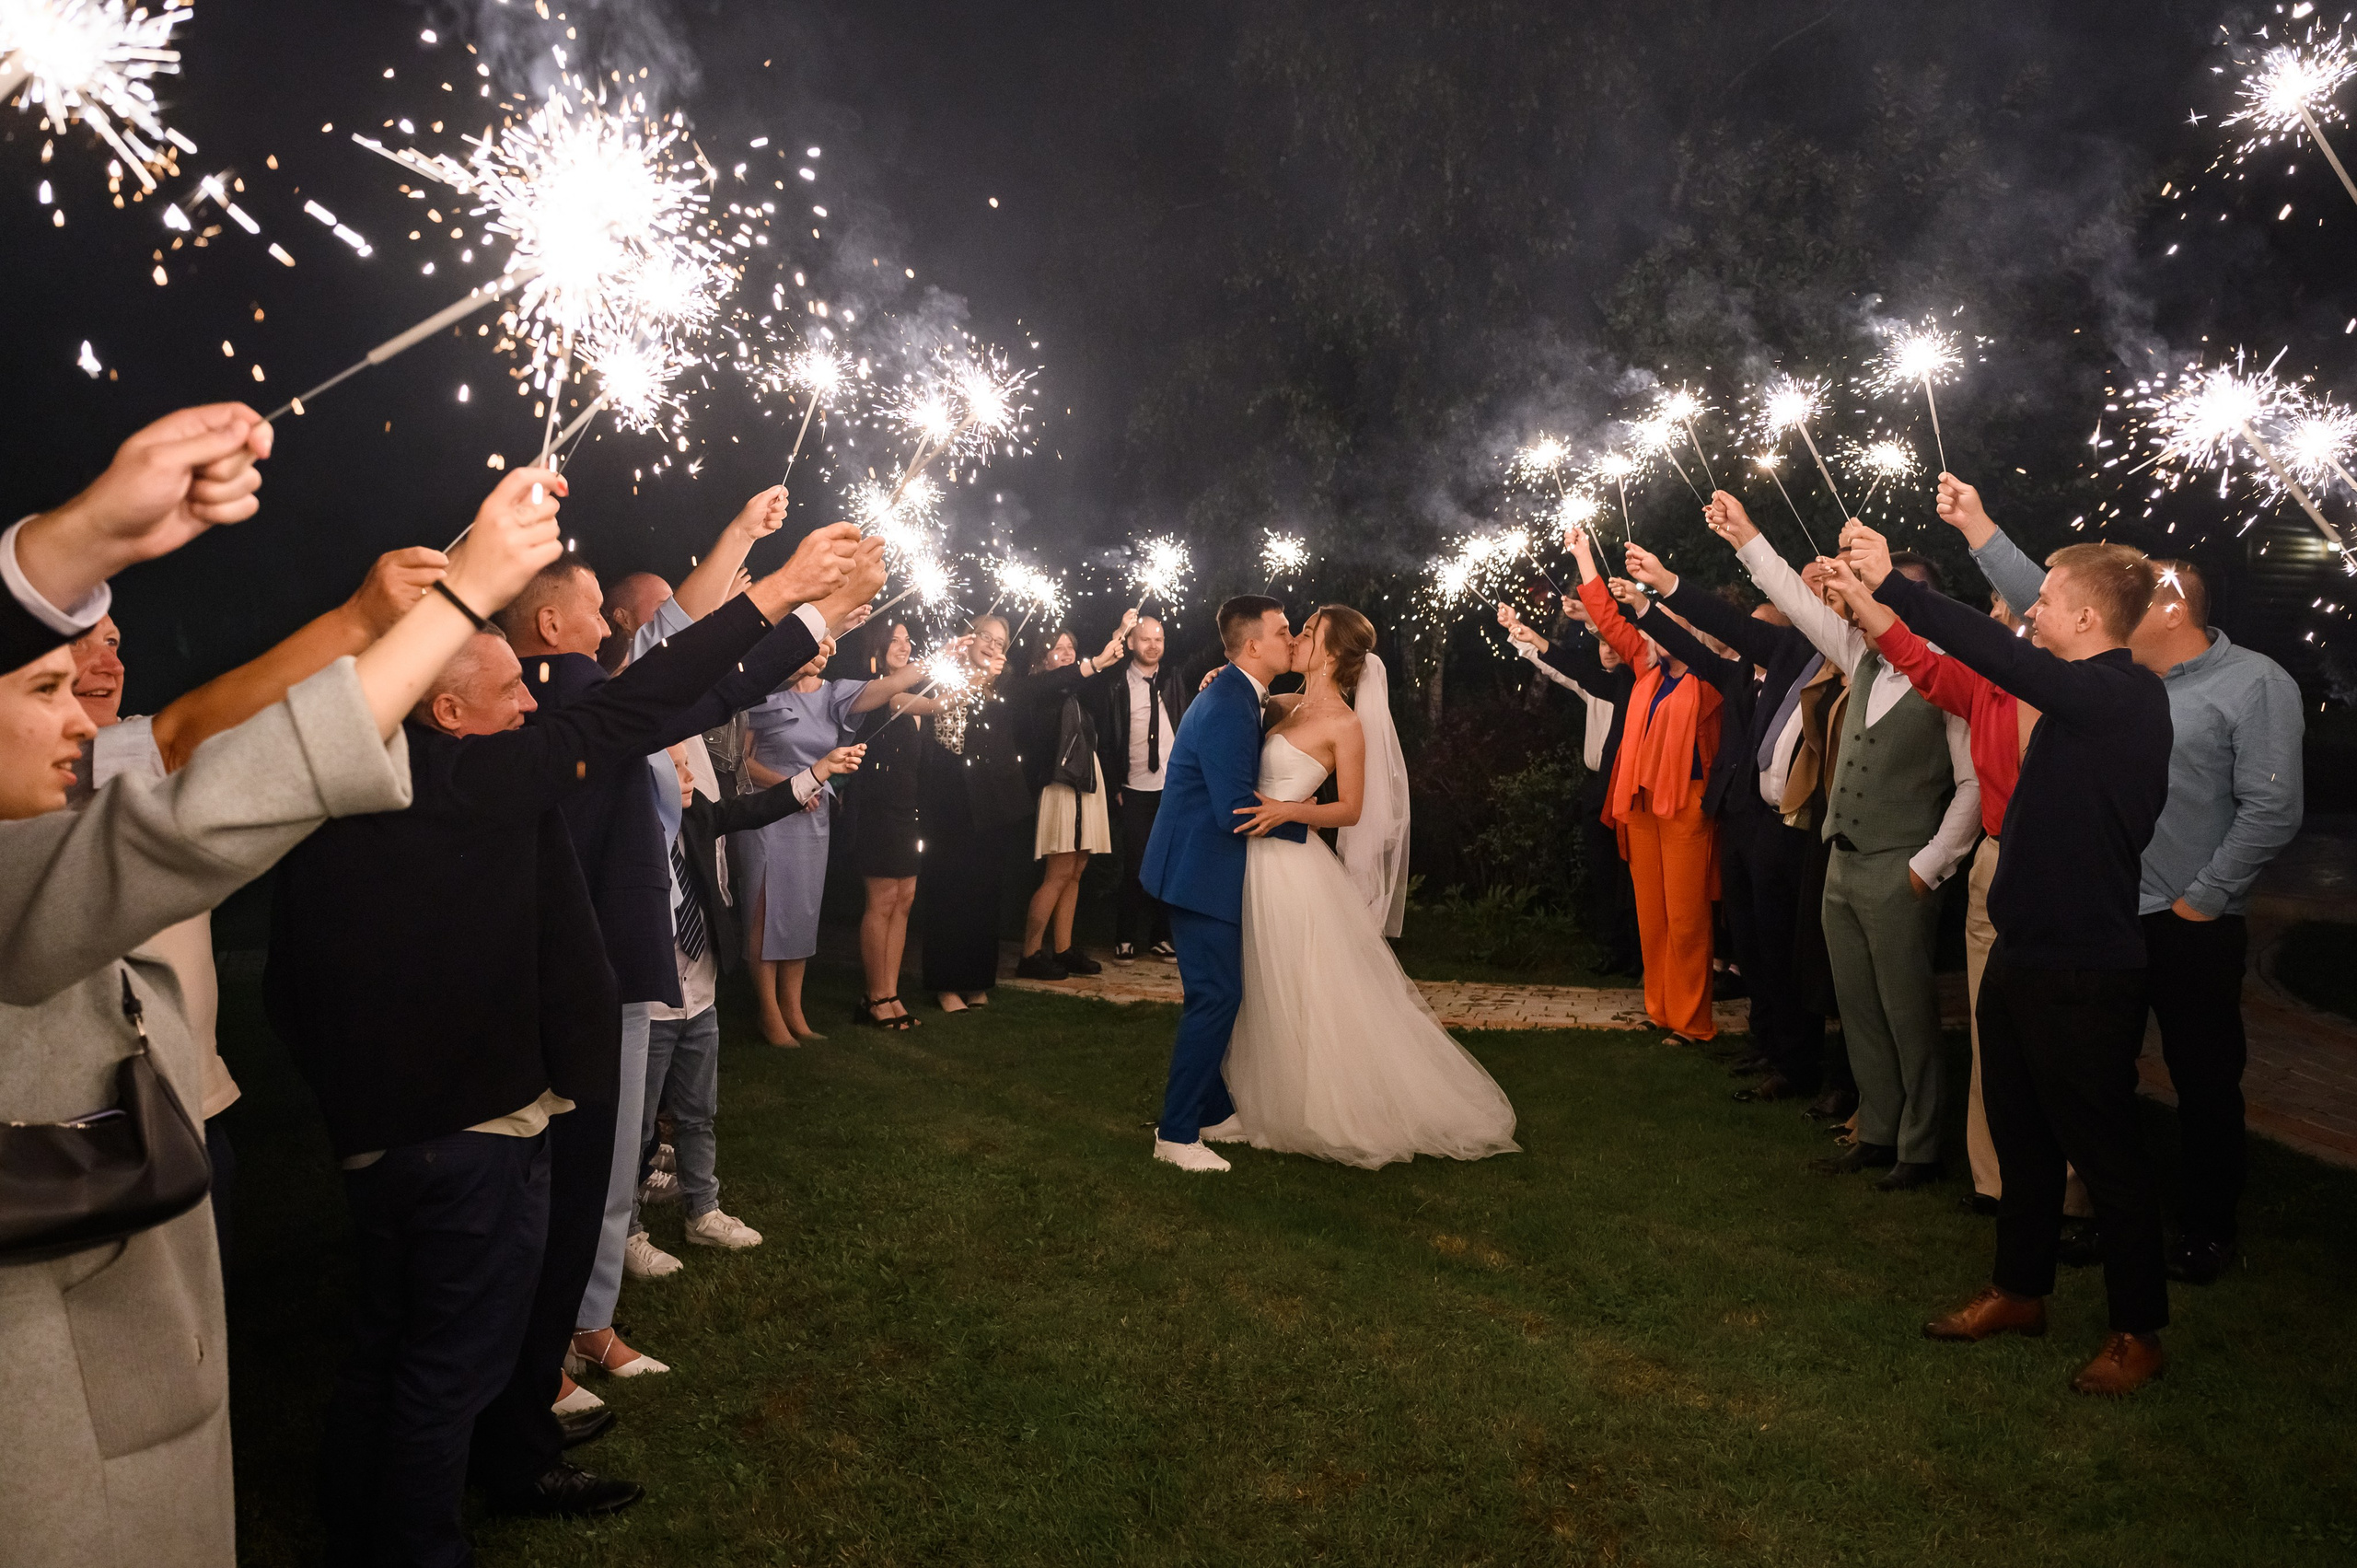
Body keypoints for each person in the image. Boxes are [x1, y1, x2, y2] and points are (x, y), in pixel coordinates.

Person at [269, 517, 875, 1555]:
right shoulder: (463, 778)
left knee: (395, 1334)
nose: (537, 707)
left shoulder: (361, 772)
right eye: (515, 694)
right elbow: (641, 699)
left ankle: (358, 1496)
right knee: (446, 1354)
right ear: (447, 708)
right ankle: (413, 1537)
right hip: (457, 1124)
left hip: (395, 1121)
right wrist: (777, 593)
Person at [0, 401, 457, 1568]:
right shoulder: (47, 837)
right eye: (47, 672)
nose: (92, 673)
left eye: (99, 650)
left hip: (177, 1136)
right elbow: (203, 797)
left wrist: (360, 619)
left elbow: (204, 722)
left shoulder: (89, 771)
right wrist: (84, 534)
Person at [1838, 518, 2177, 1395]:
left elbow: (2006, 656)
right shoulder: (2079, 696)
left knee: (2103, 1150)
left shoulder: (2126, 696)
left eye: (2050, 604)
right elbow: (2003, 665)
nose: (2035, 615)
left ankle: (2138, 1331)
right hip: (2025, 955)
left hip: (2085, 968)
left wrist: (1899, 587)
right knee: (2020, 1136)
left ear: (2092, 620)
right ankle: (2020, 1291)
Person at [1936, 478, 2304, 1283]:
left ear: (2171, 611)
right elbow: (2054, 603)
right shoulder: (2104, 674)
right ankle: (2101, 1217)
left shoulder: (2253, 684)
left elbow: (2272, 807)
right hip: (2105, 917)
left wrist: (2201, 898)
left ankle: (2207, 1225)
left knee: (2204, 1077)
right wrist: (1978, 525)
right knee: (2099, 1080)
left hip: (2187, 919)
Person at [64, 549, 448, 1269]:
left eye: (113, 642)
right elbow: (184, 735)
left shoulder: (129, 752)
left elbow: (285, 730)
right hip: (95, 1133)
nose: (105, 661)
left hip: (195, 1111)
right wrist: (360, 620)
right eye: (77, 641)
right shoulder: (60, 774)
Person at [1723, 495, 1981, 1190]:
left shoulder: (1949, 680)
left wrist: (1931, 866)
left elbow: (1973, 787)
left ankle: (1921, 1145)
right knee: (1859, 1008)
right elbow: (1797, 602)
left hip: (1902, 868)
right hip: (1842, 862)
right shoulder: (1860, 655)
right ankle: (1877, 1127)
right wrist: (1749, 537)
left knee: (1907, 1012)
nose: (1861, 603)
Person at [1218, 605, 1519, 1167]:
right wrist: (1222, 680)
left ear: (1331, 654)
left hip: (1295, 866)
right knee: (1265, 977)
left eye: (1308, 633)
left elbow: (1352, 810)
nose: (1298, 638)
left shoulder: (1345, 724)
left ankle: (1327, 1106)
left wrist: (1290, 811)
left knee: (1304, 983)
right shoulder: (1283, 703)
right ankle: (1265, 1095)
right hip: (1256, 860)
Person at [625, 738, 865, 1278]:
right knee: (636, 1128)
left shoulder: (695, 817)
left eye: (690, 767)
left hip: (701, 993)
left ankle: (703, 1212)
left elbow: (752, 808)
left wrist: (818, 771)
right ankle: (627, 1231)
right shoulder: (627, 835)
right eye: (678, 770)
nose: (690, 779)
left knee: (698, 1113)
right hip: (650, 1004)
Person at [1643, 503, 1840, 1103]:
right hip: (1752, 815)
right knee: (1753, 940)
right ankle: (1774, 1046)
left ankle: (1799, 1060)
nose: (1807, 591)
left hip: (1796, 824)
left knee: (1784, 946)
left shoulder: (1846, 652)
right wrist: (1661, 590)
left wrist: (1668, 585)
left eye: (1816, 584)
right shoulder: (1784, 651)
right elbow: (1725, 629)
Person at [1139, 596, 1311, 1172]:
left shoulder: (1241, 694)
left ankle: (1211, 1111)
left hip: (1204, 866)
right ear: (1253, 645)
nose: (1291, 639)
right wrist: (1305, 832)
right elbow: (1234, 810)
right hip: (1197, 870)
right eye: (1283, 631)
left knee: (1220, 993)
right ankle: (1177, 1133)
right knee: (1216, 996)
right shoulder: (1229, 705)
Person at [1565, 526, 1725, 1044]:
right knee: (1651, 917)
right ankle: (1660, 1009)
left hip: (1687, 807)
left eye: (1669, 623)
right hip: (1640, 806)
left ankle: (1693, 1021)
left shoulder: (1711, 681)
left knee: (1686, 919)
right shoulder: (1645, 671)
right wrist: (1585, 556)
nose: (1655, 632)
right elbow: (1609, 621)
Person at [916, 613, 1119, 1011]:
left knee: (985, 893)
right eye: (985, 637)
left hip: (992, 804)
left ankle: (976, 980)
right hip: (950, 800)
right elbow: (926, 713)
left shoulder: (1008, 684)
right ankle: (945, 983)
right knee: (950, 891)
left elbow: (1047, 683)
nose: (993, 645)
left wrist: (1092, 665)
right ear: (969, 639)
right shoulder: (944, 677)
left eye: (1001, 641)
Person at [738, 626, 930, 1040]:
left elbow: (891, 685)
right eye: (817, 642)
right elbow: (739, 762)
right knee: (767, 913)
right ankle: (769, 1013)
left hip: (813, 818)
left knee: (802, 914)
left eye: (829, 643)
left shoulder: (835, 693)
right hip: (768, 816)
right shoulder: (763, 692)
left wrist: (940, 659)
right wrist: (792, 787)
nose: (825, 650)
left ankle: (795, 1010)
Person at [1496, 592, 1642, 976]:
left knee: (1632, 871)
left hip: (1630, 786)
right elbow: (1556, 668)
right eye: (1601, 645)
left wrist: (1592, 619)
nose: (1608, 651)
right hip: (1596, 785)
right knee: (1602, 869)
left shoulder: (1639, 685)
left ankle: (1640, 952)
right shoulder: (1592, 686)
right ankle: (1613, 948)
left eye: (1614, 644)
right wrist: (1517, 632)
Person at [1015, 617, 1135, 980]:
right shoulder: (1038, 688)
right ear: (1043, 657)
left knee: (1077, 868)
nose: (1067, 653)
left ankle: (1063, 949)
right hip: (1060, 783)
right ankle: (1030, 954)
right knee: (1059, 870)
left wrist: (1119, 636)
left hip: (1087, 781)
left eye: (1071, 647)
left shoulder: (1076, 692)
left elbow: (1101, 678)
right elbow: (1073, 677)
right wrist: (1094, 662)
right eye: (1058, 648)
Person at [1098, 614, 1220, 961]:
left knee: (1171, 863)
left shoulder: (1174, 678)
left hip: (1174, 787)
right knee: (1136, 865)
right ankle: (1125, 936)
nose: (1153, 646)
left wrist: (1227, 622)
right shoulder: (1116, 684)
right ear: (1133, 643)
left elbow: (1208, 654)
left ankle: (1161, 936)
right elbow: (1107, 742)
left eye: (1159, 639)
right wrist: (1114, 787)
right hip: (1134, 787)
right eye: (1146, 639)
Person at [849, 621, 928, 1028]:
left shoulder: (908, 698)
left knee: (905, 897)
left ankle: (891, 993)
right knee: (881, 900)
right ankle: (874, 996)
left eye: (907, 639)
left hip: (908, 812)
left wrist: (978, 671)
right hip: (876, 813)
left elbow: (941, 703)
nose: (904, 644)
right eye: (894, 639)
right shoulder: (878, 695)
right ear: (876, 651)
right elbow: (911, 698)